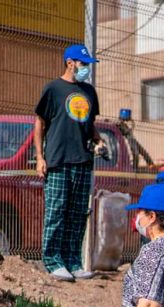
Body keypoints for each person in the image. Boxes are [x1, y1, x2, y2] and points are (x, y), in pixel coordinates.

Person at [34, 44, 105, 282]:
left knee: (77, 214)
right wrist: (40, 158)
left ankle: (73, 262)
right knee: (56, 212)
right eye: (83, 64)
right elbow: (40, 123)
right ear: (69, 63)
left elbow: (89, 124)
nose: (86, 68)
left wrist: (98, 141)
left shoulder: (89, 92)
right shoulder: (53, 89)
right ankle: (53, 261)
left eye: (88, 64)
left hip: (83, 160)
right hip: (57, 159)